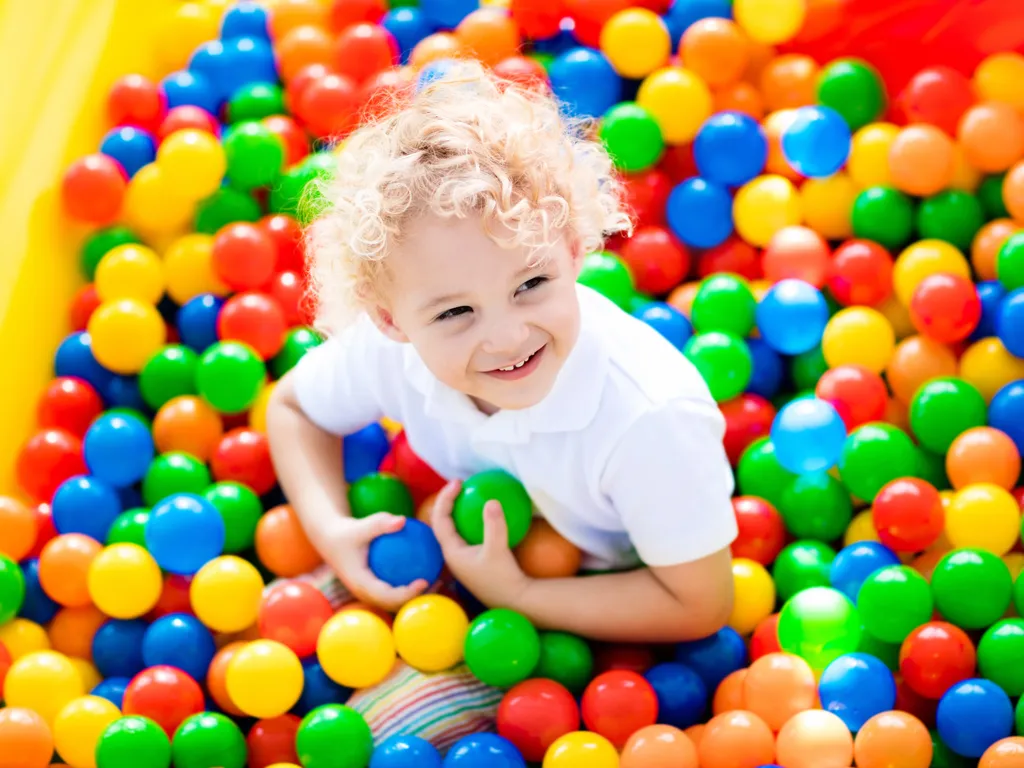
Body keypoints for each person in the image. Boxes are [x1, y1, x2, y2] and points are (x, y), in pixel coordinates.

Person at [266, 59, 737, 749]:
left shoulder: (648, 416)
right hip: (455, 558)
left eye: (531, 283)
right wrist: (333, 530)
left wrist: (518, 596)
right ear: (391, 320)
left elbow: (703, 602)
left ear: (574, 248)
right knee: (282, 623)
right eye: (456, 312)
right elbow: (294, 409)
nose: (508, 336)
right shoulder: (391, 347)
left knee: (388, 735)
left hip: (596, 616)